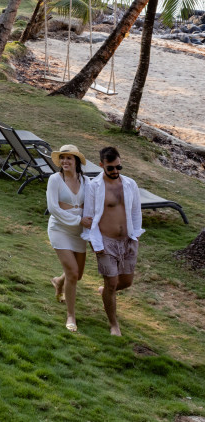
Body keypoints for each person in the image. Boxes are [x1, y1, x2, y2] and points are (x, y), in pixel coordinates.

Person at [81, 146, 143, 336]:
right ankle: (113, 324)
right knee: (112, 283)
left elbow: (135, 211)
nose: (115, 171)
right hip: (105, 242)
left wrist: (136, 235)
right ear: (101, 165)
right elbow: (89, 216)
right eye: (111, 168)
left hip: (128, 241)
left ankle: (105, 292)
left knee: (126, 282)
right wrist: (95, 244)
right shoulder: (94, 187)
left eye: (119, 167)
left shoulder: (130, 184)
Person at [47, 144, 88, 333]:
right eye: (62, 158)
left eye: (69, 158)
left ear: (76, 161)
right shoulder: (55, 179)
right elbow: (54, 209)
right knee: (72, 273)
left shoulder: (86, 181)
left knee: (77, 274)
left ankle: (58, 281)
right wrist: (78, 218)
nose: (64, 161)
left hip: (79, 232)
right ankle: (71, 315)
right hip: (59, 229)